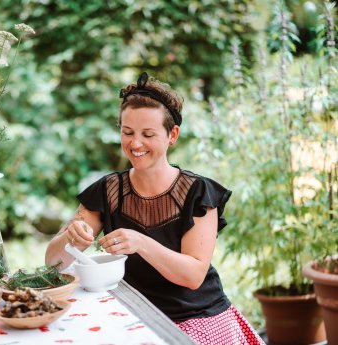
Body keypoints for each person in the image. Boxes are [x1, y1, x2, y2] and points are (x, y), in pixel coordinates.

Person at [45, 72, 265, 345]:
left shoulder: (199, 193)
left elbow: (193, 275)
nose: (135, 144)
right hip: (131, 316)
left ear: (172, 135)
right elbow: (52, 263)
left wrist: (139, 242)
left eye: (148, 134)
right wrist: (70, 238)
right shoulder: (107, 190)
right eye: (128, 132)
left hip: (196, 317)